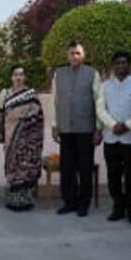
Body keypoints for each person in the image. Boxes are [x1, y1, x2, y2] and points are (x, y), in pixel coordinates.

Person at [49, 41, 104, 217]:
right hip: (65, 128)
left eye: (78, 53)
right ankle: (69, 202)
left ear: (83, 55)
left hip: (86, 128)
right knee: (67, 168)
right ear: (68, 55)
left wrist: (98, 128)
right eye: (72, 53)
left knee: (85, 168)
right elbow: (54, 101)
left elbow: (99, 101)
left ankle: (84, 203)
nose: (75, 56)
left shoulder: (92, 74)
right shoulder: (59, 74)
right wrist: (54, 125)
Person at [97, 51, 131, 224]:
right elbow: (100, 109)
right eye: (117, 63)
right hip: (111, 138)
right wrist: (112, 125)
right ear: (113, 66)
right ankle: (118, 207)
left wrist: (127, 125)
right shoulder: (105, 86)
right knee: (113, 176)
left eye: (124, 62)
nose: (121, 66)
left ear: (130, 65)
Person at [0, 64, 44, 212]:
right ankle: (13, 201)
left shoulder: (31, 94)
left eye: (21, 74)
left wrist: (24, 124)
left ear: (25, 77)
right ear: (11, 77)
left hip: (27, 141)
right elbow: (0, 115)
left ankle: (25, 200)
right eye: (15, 74)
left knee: (25, 169)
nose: (18, 77)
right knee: (13, 168)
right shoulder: (5, 94)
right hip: (10, 138)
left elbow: (37, 116)